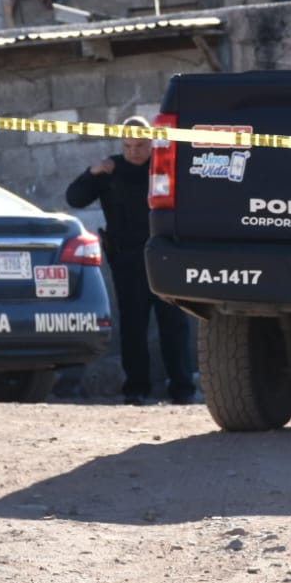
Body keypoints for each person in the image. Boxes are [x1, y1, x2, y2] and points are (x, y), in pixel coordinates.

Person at [67, 116, 197, 405]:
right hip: (127, 261)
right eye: (127, 146)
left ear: (151, 143)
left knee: (174, 325)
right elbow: (74, 198)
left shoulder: (163, 167)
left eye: (139, 145)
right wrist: (92, 172)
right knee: (133, 327)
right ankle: (136, 390)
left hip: (165, 257)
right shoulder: (110, 170)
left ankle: (183, 389)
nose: (133, 151)